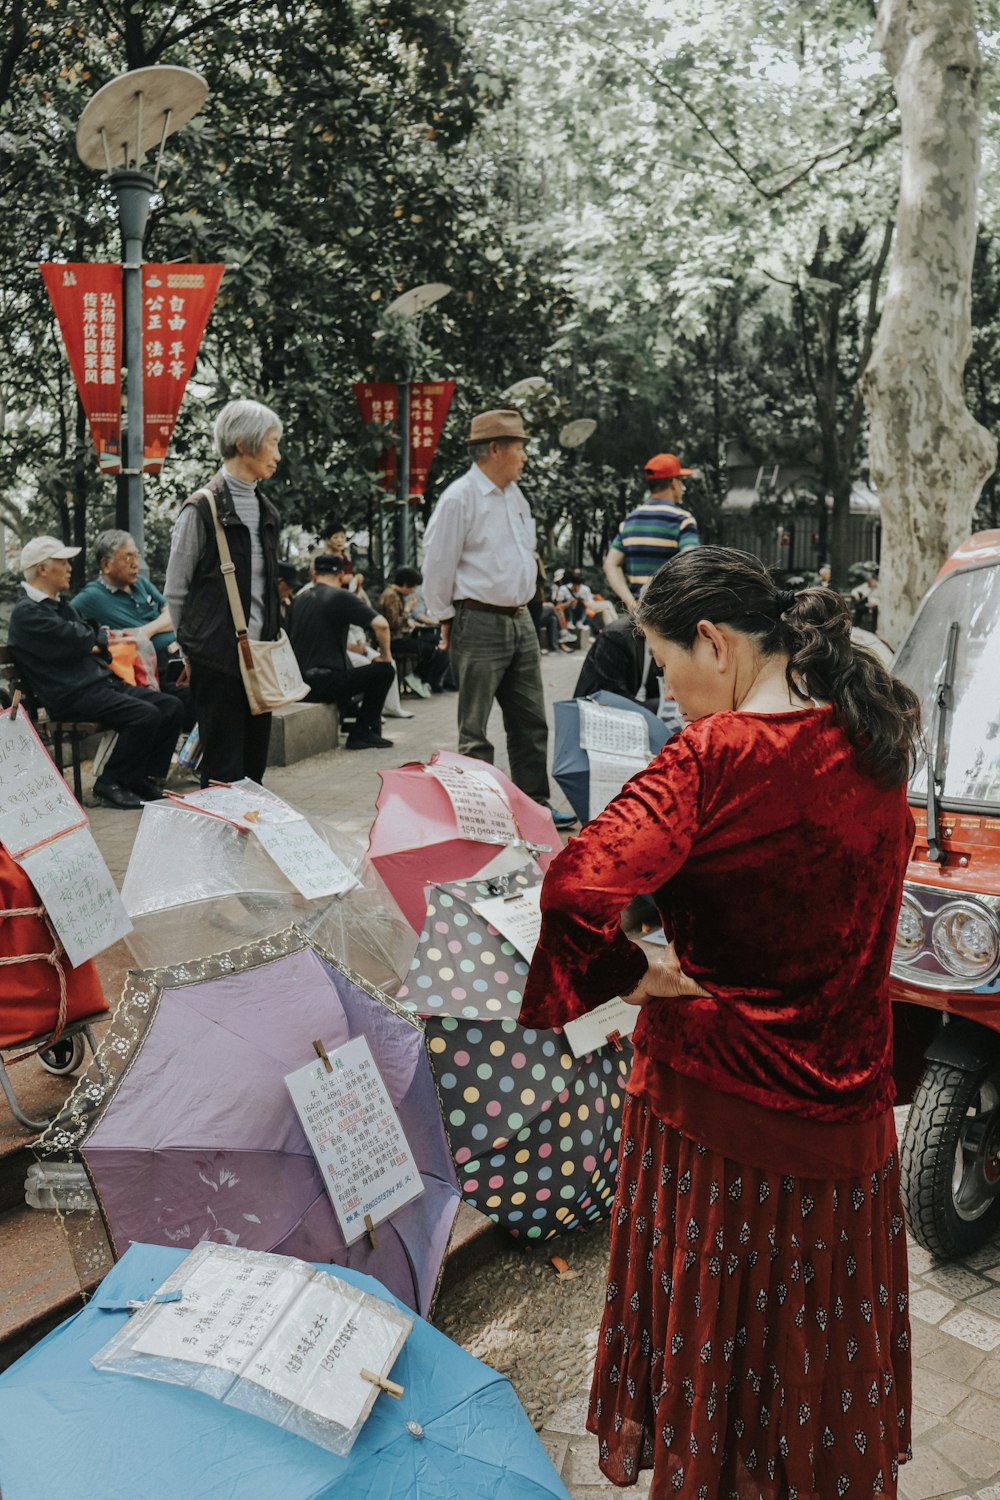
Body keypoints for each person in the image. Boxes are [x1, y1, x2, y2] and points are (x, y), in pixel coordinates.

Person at [520, 545, 919, 1497]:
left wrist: (632, 971)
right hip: (850, 1124)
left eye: (667, 668)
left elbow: (576, 886)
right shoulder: (870, 739)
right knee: (819, 1339)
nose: (670, 695)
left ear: (716, 642)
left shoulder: (713, 756)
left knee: (721, 1329)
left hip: (718, 1112)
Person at [421, 408, 576, 830]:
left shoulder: (514, 496)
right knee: (474, 727)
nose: (524, 457)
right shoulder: (460, 498)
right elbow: (437, 563)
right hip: (479, 618)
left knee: (530, 720)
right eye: (520, 448)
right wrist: (445, 617)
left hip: (521, 618)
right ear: (495, 449)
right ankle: (480, 814)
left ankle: (534, 807)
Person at [7, 536, 184, 810]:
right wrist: (90, 639)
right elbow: (81, 637)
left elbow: (93, 635)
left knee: (171, 706)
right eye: (63, 562)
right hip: (72, 695)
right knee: (145, 715)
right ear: (43, 569)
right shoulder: (28, 613)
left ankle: (139, 778)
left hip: (99, 685)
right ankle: (110, 782)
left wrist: (91, 639)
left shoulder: (57, 604)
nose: (69, 568)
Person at [164, 398, 283, 787]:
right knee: (222, 773)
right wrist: (192, 652)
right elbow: (176, 592)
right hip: (218, 662)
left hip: (260, 659)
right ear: (241, 442)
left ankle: (242, 843)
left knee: (253, 772)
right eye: (272, 442)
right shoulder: (201, 509)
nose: (277, 455)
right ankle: (217, 847)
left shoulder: (267, 511)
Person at [71, 529, 195, 730]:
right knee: (200, 694)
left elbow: (174, 614)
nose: (135, 563)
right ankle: (196, 757)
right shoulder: (90, 598)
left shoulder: (140, 584)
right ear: (106, 564)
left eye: (136, 555)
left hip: (179, 659)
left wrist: (145, 632)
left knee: (219, 685)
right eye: (127, 557)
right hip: (152, 672)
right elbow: (67, 626)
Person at [288, 554, 395, 749]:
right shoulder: (340, 596)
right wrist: (385, 657)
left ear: (313, 574)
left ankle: (353, 720)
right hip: (322, 684)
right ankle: (361, 732)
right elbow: (382, 625)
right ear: (342, 575)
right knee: (385, 670)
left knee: (350, 668)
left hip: (298, 683)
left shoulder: (300, 599)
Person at [603, 452, 699, 612]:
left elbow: (610, 564)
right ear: (673, 483)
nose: (683, 488)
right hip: (669, 614)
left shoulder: (630, 521)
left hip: (639, 615)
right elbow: (692, 564)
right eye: (682, 481)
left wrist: (630, 602)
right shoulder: (682, 520)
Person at [379, 567, 448, 695]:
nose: (413, 591)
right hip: (395, 639)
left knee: (436, 642)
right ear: (405, 584)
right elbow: (394, 623)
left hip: (401, 635)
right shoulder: (391, 596)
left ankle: (419, 677)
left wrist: (412, 623)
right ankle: (418, 677)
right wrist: (407, 609)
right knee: (432, 650)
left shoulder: (395, 595)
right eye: (412, 587)